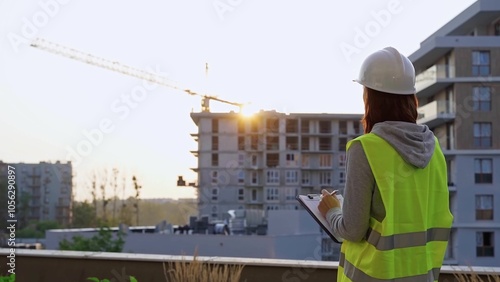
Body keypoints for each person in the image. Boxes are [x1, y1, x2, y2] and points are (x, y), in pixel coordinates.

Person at [318, 47, 453, 282]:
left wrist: (331, 211)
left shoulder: (366, 148)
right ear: (411, 98)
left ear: (369, 97)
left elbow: (351, 230)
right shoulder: (434, 150)